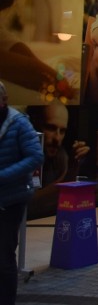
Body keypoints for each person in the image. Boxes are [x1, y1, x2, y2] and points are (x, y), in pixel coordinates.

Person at [0, 80, 44, 305]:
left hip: (11, 198)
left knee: (4, 254)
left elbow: (35, 156)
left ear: (4, 100)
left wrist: (3, 175)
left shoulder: (18, 123)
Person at [27, 101, 89, 191]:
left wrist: (72, 170)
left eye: (62, 131)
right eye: (50, 128)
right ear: (35, 124)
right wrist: (68, 176)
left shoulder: (60, 157)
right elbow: (29, 201)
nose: (57, 138)